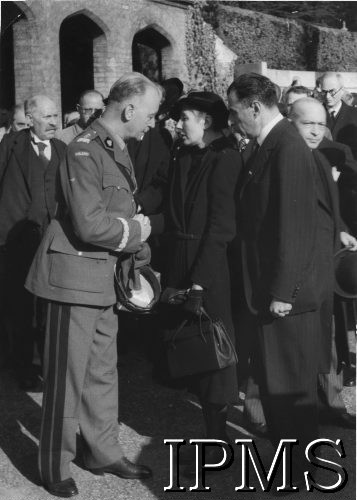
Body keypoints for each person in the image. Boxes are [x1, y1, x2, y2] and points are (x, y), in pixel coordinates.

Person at [25, 73, 162, 498]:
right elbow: (89, 223)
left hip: (102, 279)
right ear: (129, 109)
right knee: (67, 377)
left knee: (102, 372)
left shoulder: (113, 146)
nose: (153, 124)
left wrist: (137, 250)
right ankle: (54, 465)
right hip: (73, 280)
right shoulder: (85, 149)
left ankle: (101, 452)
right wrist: (137, 232)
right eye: (151, 114)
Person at [227, 73, 322, 485]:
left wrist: (283, 291)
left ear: (253, 106)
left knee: (288, 389)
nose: (232, 120)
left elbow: (295, 226)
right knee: (275, 385)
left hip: (286, 296)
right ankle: (290, 464)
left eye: (234, 111)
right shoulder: (272, 143)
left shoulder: (287, 146)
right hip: (270, 289)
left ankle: (295, 472)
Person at [162, 91, 241, 474]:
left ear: (206, 121)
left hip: (208, 269)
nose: (178, 125)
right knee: (185, 343)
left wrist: (199, 283)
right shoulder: (185, 153)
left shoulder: (225, 158)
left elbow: (221, 227)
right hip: (179, 260)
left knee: (214, 349)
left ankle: (217, 433)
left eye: (185, 118)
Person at [0, 95, 66, 391]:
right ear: (30, 118)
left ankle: (49, 364)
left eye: (56, 116)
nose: (54, 122)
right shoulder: (11, 146)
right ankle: (24, 366)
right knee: (21, 307)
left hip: (53, 240)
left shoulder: (63, 149)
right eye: (48, 117)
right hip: (17, 241)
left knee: (49, 306)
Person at [320, 72, 357, 158]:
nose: (327, 96)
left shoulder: (355, 114)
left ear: (342, 90)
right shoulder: (313, 114)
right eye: (324, 92)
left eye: (332, 91)